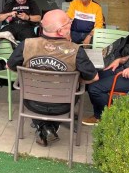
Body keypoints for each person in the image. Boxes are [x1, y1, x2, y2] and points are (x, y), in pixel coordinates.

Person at [7, 9, 98, 146]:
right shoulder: (75, 50)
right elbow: (94, 77)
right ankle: (49, 127)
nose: (71, 23)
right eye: (68, 22)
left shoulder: (27, 44)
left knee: (41, 96)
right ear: (60, 31)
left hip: (32, 102)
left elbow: (10, 66)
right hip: (63, 105)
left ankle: (43, 127)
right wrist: (76, 81)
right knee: (72, 92)